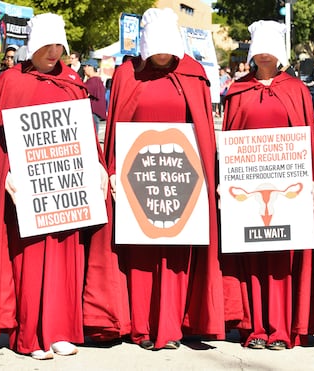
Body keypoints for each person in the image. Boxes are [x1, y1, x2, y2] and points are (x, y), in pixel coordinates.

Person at [0, 13, 130, 360]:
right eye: (46, 45)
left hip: (66, 189)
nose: (54, 52)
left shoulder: (71, 81)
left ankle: (60, 330)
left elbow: (83, 131)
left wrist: (98, 165)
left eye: (58, 45)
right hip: (28, 192)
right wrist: (4, 174)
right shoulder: (10, 81)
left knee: (68, 258)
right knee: (31, 261)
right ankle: (30, 336)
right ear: (32, 46)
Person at [221, 20, 314, 350]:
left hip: (285, 195)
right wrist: (225, 184)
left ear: (279, 54)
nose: (264, 56)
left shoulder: (296, 91)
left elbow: (306, 140)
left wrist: (312, 185)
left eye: (270, 50)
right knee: (253, 257)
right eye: (259, 50)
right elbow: (230, 139)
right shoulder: (236, 92)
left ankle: (281, 328)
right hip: (248, 196)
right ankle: (255, 327)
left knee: (282, 259)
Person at [104, 7, 225, 350]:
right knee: (141, 254)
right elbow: (115, 128)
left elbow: (202, 130)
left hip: (181, 182)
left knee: (175, 255)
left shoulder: (193, 73)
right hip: (138, 182)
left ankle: (170, 326)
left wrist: (207, 175)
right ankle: (141, 326)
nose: (160, 55)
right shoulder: (128, 74)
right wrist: (113, 169)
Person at [83, 58, 107, 134]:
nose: (84, 69)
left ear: (90, 67)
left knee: (92, 137)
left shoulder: (93, 81)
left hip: (92, 112)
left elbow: (84, 94)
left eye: (85, 66)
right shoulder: (98, 80)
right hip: (95, 113)